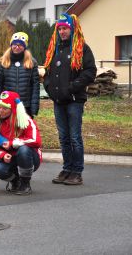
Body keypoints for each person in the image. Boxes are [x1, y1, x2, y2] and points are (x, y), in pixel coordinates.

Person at [43, 13, 97, 185]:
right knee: (63, 137)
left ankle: (77, 172)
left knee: (74, 137)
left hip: (74, 101)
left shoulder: (82, 49)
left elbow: (90, 72)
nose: (62, 32)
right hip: (58, 102)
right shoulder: (55, 50)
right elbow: (47, 74)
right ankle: (66, 169)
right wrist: (49, 89)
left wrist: (72, 88)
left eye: (65, 28)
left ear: (72, 29)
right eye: (59, 29)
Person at [0, 91, 42, 195]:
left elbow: (36, 140)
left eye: (4, 108)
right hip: (10, 158)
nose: (1, 110)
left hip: (30, 158)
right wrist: (2, 154)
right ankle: (16, 181)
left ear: (13, 109)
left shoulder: (25, 120)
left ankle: (25, 184)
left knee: (23, 150)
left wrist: (12, 143)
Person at [0, 32, 40, 118]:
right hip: (6, 105)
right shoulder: (3, 62)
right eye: (15, 44)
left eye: (20, 45)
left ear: (24, 46)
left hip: (25, 106)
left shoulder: (32, 62)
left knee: (24, 130)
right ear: (11, 45)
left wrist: (34, 107)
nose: (17, 47)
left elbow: (35, 86)